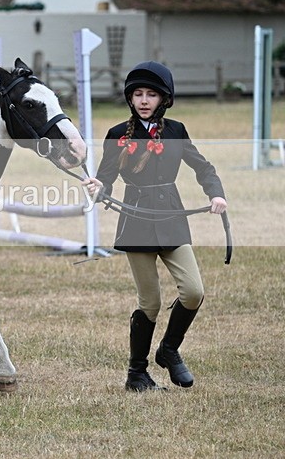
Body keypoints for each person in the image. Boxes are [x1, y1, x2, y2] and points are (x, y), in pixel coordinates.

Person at [82, 61, 227, 392]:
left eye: (151, 94)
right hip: (136, 222)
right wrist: (98, 188)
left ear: (164, 99)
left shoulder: (176, 130)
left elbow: (203, 168)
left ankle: (169, 350)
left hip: (172, 217)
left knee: (193, 291)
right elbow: (105, 177)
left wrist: (216, 194)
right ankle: (137, 374)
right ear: (130, 99)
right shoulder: (118, 134)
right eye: (138, 94)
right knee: (150, 302)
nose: (144, 100)